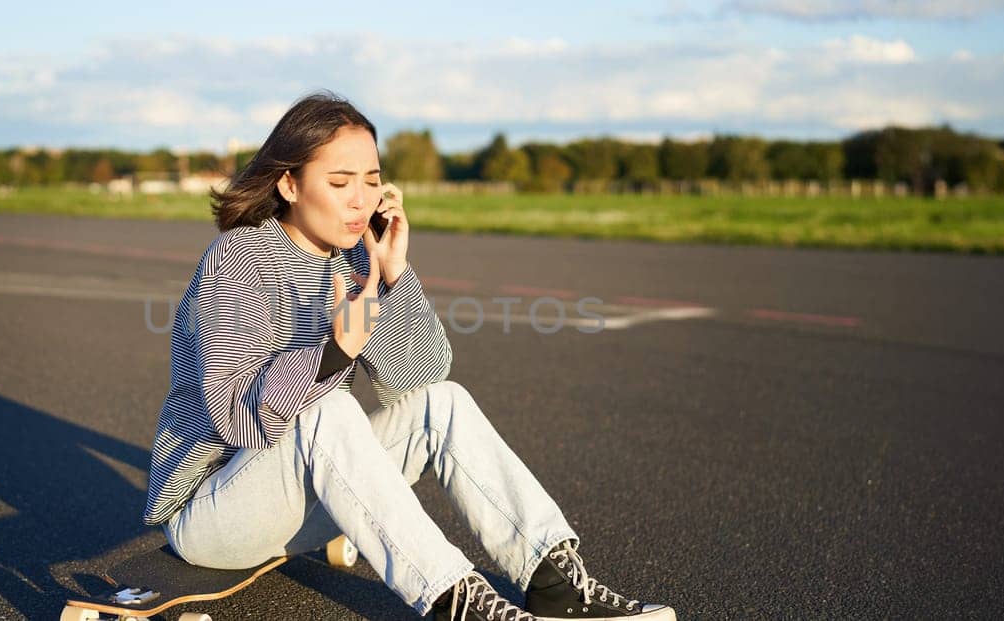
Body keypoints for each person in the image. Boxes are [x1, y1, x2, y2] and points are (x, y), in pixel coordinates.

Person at [141, 91, 675, 621]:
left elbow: (420, 376)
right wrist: (335, 350)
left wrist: (395, 274)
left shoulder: (354, 259)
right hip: (212, 512)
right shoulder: (237, 261)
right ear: (289, 183)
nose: (360, 200)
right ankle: (455, 601)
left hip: (301, 497)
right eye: (340, 182)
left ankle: (556, 584)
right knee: (326, 409)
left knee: (443, 402)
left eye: (372, 181)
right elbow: (238, 422)